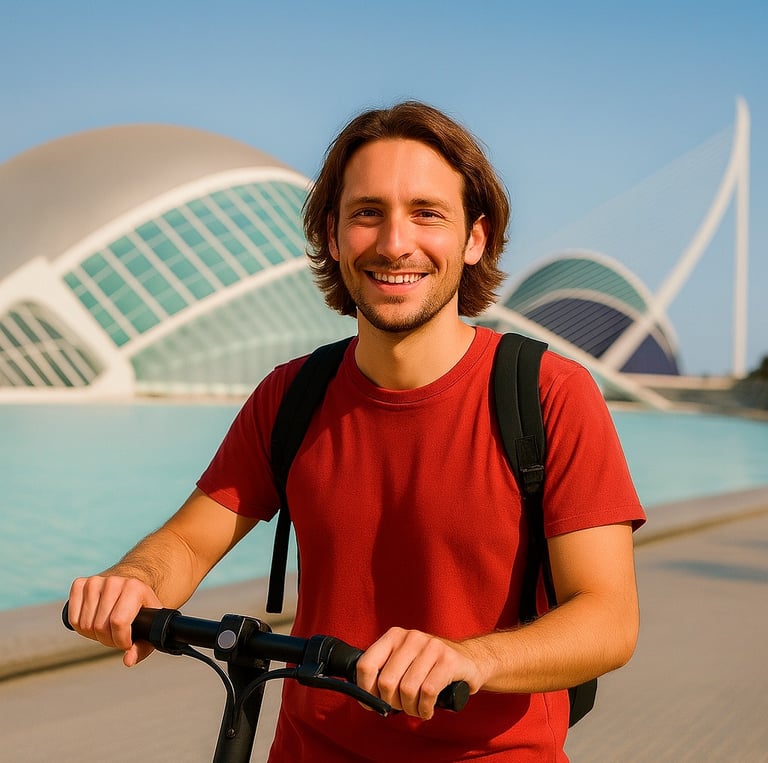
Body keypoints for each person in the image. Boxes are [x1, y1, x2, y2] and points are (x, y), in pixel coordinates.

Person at [68, 101, 646, 761]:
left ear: (475, 239)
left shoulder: (549, 394)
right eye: (368, 213)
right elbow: (188, 542)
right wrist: (134, 579)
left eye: (427, 213)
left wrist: (472, 658)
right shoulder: (292, 394)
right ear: (334, 237)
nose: (395, 243)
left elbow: (608, 619)